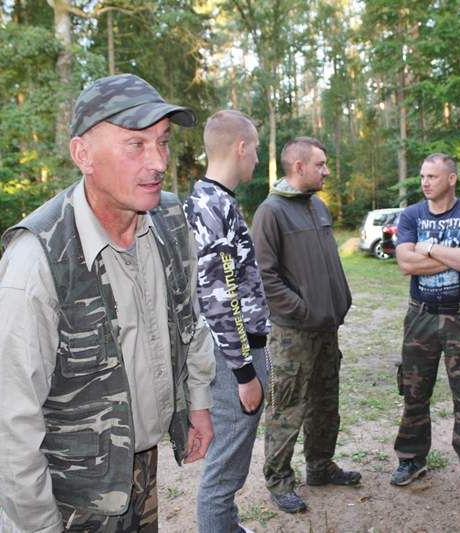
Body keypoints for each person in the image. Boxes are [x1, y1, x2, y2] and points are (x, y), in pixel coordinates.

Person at [0, 73, 216, 532]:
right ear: (82, 154)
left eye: (163, 142)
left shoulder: (168, 220)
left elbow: (191, 321)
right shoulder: (37, 261)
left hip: (137, 467)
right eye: (136, 144)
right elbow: (8, 423)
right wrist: (39, 525)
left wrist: (198, 403)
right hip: (69, 494)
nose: (158, 162)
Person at [252, 136, 359, 514]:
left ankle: (320, 466)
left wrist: (338, 302)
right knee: (287, 407)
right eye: (320, 164)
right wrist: (302, 310)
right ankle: (279, 480)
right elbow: (264, 276)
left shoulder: (317, 206)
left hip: (326, 329)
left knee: (326, 403)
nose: (326, 171)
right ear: (299, 167)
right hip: (293, 333)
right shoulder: (271, 212)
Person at [184, 110, 270, 533]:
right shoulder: (210, 205)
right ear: (240, 147)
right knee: (223, 472)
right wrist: (245, 372)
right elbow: (219, 297)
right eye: (255, 149)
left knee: (230, 465)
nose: (257, 158)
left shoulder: (215, 200)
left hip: (236, 351)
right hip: (231, 356)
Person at [389, 153, 460, 491]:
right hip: (420, 316)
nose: (424, 182)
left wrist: (428, 248)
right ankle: (411, 459)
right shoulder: (412, 215)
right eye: (422, 176)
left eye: (432, 176)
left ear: (451, 179)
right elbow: (406, 264)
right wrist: (456, 255)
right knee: (414, 391)